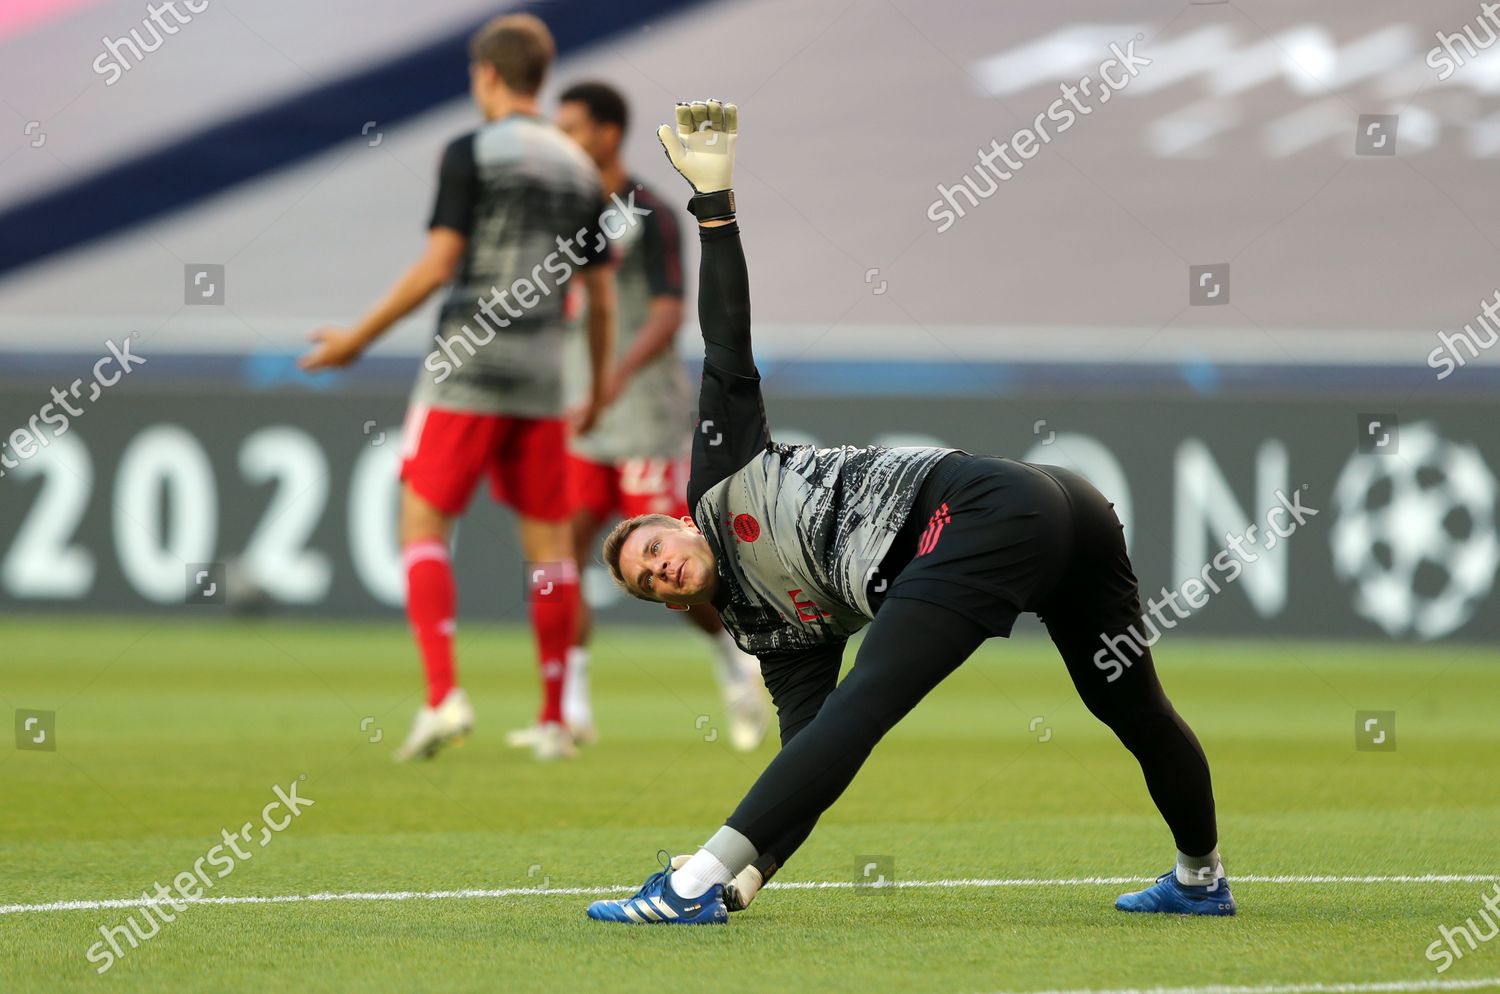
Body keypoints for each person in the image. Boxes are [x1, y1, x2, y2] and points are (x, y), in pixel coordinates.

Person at [583, 100, 1235, 924]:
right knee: (1128, 706)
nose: (660, 569)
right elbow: (814, 755)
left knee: (877, 700)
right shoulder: (772, 635)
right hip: (1051, 518)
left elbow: (725, 344)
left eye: (653, 550)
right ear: (676, 605)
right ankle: (1200, 878)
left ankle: (682, 890)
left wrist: (714, 208)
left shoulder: (719, 479)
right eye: (649, 583)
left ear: (678, 524)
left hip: (990, 507)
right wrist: (755, 873)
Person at [300, 14, 616, 763]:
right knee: (550, 549)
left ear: (487, 74)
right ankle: (553, 719)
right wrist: (596, 388)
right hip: (542, 377)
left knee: (423, 525)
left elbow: (439, 265)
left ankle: (443, 695)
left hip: (465, 367)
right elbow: (601, 300)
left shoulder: (471, 150)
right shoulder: (581, 169)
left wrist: (357, 339)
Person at [508, 80, 768, 753]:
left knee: (666, 568)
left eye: (572, 127)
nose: (562, 140)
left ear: (607, 132)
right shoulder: (558, 215)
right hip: (579, 417)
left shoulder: (647, 211)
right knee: (559, 558)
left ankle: (735, 663)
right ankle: (568, 709)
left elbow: (668, 309)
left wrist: (617, 375)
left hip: (643, 416)